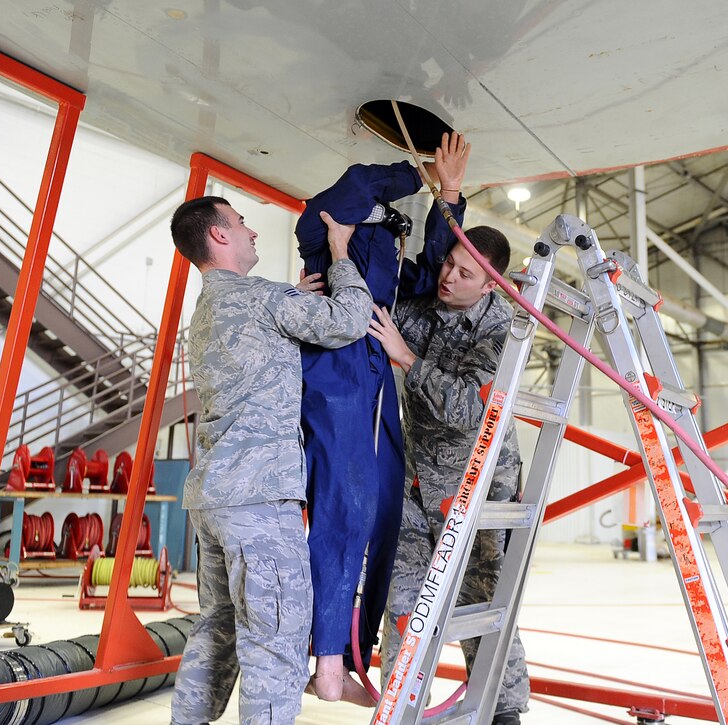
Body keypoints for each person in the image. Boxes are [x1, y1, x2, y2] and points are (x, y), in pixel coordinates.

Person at [169, 196, 373, 725]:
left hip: (213, 498)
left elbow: (268, 330)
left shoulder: (210, 309)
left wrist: (287, 300)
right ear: (218, 237)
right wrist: (340, 252)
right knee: (275, 641)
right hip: (259, 501)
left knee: (216, 627)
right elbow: (347, 321)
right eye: (240, 224)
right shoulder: (263, 299)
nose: (252, 232)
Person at [293, 134, 470, 704]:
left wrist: (451, 192)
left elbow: (434, 275)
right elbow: (357, 183)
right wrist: (418, 173)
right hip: (335, 380)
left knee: (385, 514)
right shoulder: (321, 229)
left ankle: (351, 657)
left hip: (375, 386)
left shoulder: (389, 253)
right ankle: (324, 661)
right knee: (343, 513)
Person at [368, 212, 531, 723]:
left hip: (476, 490)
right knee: (403, 599)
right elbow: (377, 308)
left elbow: (469, 408)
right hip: (418, 486)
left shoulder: (502, 331)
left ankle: (504, 711)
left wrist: (407, 359)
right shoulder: (424, 312)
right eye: (450, 265)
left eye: (465, 275)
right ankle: (400, 705)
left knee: (478, 602)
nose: (449, 278)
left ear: (490, 286)